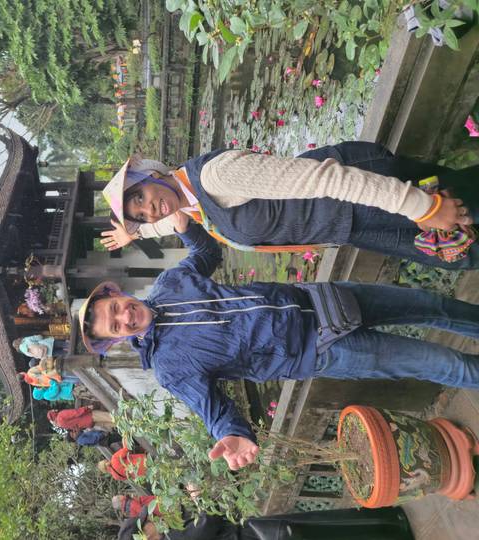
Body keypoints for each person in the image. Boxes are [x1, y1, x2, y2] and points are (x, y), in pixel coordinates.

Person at [79, 219, 479, 470]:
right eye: (115, 325)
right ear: (118, 338)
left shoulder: (170, 284)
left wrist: (182, 224)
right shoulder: (169, 367)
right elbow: (213, 409)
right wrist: (232, 435)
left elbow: (206, 252)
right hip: (322, 348)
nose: (124, 316)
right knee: (445, 366)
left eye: (116, 307)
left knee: (433, 306)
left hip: (322, 298)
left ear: (120, 295)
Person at [100, 141, 478, 269]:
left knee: (466, 214)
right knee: (460, 249)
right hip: (350, 224)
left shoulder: (216, 178)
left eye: (141, 197)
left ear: (150, 175)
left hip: (363, 195)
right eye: (141, 214)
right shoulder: (190, 206)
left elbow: (325, 178)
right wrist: (138, 232)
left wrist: (421, 207)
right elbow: (164, 222)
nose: (151, 210)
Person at [117, 505, 415, 540]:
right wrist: (199, 500)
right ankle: (393, 525)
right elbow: (210, 519)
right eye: (148, 523)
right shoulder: (176, 537)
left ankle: (393, 528)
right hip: (259, 535)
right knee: (329, 529)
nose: (153, 519)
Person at [47, 405, 115, 436]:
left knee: (109, 424)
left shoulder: (60, 424)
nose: (55, 410)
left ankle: (124, 423)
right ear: (53, 414)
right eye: (53, 411)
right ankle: (124, 417)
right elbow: (75, 413)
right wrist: (86, 408)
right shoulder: (60, 415)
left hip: (88, 424)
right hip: (88, 416)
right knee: (110, 417)